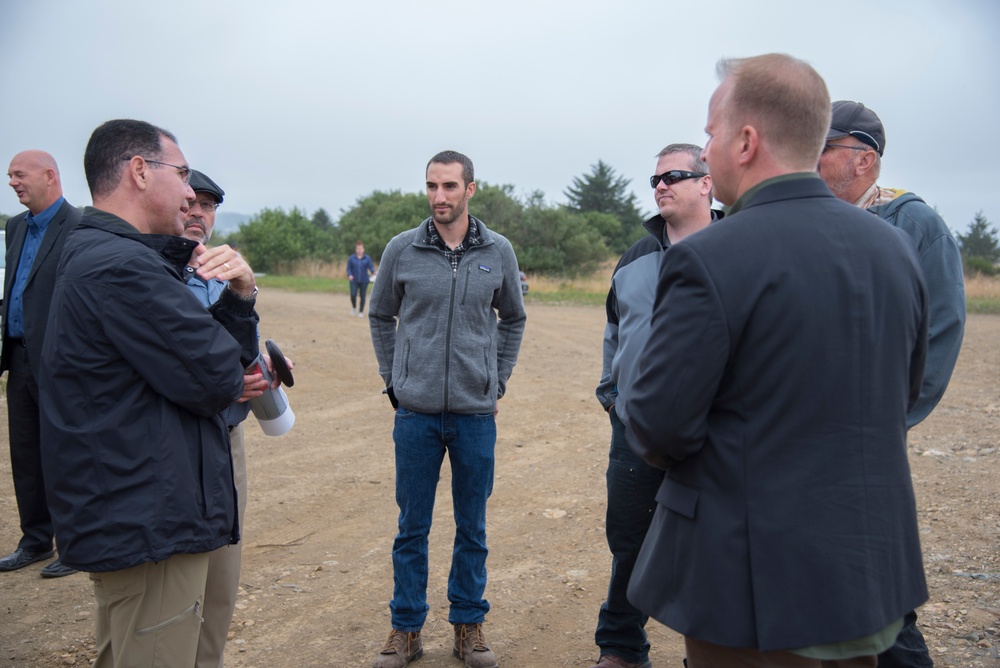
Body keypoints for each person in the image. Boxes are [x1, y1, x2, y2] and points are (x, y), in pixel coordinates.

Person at [624, 54, 930, 667]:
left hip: (750, 587)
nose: (705, 150)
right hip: (865, 576)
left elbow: (658, 424)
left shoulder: (709, 257)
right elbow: (902, 391)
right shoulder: (894, 248)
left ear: (745, 140)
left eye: (710, 133)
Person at [37, 119, 263, 668]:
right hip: (148, 520)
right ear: (139, 171)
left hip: (146, 508)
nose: (190, 193)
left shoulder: (107, 255)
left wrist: (235, 300)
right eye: (182, 174)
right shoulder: (121, 267)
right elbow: (216, 376)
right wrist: (239, 300)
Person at [818, 100, 965, 668]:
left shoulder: (914, 223)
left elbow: (942, 331)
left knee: (870, 569)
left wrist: (889, 417)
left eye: (824, 148)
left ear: (864, 160)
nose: (812, 158)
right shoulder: (814, 218)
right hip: (806, 428)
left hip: (867, 434)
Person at [367, 150, 526, 668]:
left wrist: (495, 380)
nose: (439, 197)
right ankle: (406, 630)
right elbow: (380, 314)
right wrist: (395, 381)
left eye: (450, 187)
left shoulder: (497, 251)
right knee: (411, 526)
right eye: (432, 186)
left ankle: (468, 628)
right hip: (414, 414)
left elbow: (514, 319)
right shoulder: (402, 250)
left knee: (472, 527)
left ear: (470, 190)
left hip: (475, 414)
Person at [591, 144, 719, 668]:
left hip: (716, 430)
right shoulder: (637, 256)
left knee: (717, 542)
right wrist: (612, 394)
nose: (660, 185)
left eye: (674, 176)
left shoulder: (738, 246)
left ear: (707, 184)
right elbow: (615, 329)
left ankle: (710, 654)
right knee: (631, 538)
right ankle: (621, 646)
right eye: (656, 178)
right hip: (637, 427)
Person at [182, 169, 255, 668]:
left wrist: (260, 370)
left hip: (229, 437)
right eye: (189, 204)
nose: (197, 215)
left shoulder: (221, 270)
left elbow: (235, 352)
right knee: (175, 590)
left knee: (221, 586)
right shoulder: (149, 272)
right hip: (180, 442)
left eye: (207, 207)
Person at [0, 150, 80, 579]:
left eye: (19, 174)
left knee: (64, 454)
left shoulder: (78, 225)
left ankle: (73, 544)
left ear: (49, 176)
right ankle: (35, 541)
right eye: (9, 175)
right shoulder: (14, 226)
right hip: (18, 358)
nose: (12, 181)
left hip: (61, 361)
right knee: (26, 454)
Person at [347, 239, 376, 317]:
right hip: (354, 280)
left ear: (363, 249)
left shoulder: (367, 258)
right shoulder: (351, 258)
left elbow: (371, 267)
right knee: (353, 295)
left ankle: (361, 311)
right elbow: (348, 268)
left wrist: (374, 272)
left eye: (361, 248)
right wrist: (349, 275)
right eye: (358, 249)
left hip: (364, 280)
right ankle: (354, 307)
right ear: (356, 249)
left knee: (362, 296)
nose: (359, 250)